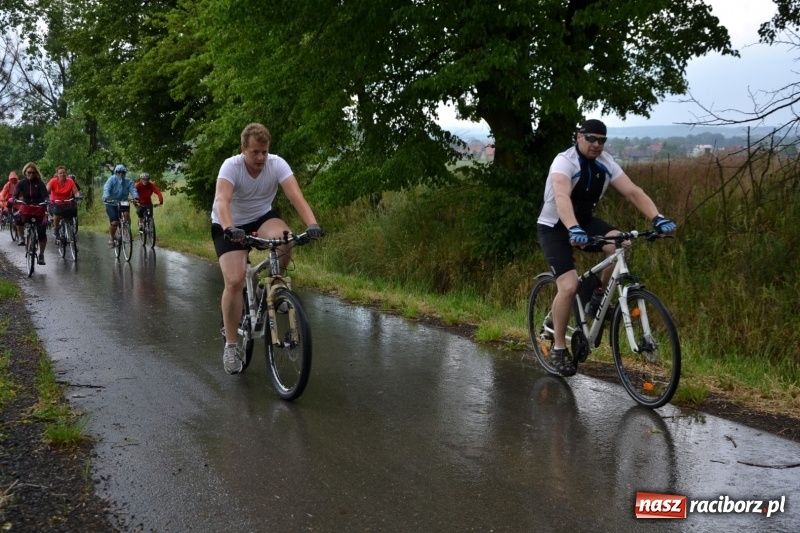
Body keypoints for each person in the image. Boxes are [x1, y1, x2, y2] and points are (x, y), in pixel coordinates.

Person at [536, 119, 677, 377]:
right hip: (555, 226)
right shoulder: (564, 162)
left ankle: (598, 296)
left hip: (584, 223)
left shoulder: (606, 162)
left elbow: (633, 192)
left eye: (602, 140)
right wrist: (572, 228)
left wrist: (657, 217)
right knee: (568, 286)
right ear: (578, 137)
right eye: (591, 138)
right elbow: (561, 196)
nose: (597, 144)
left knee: (622, 244)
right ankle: (558, 347)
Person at [211, 123, 323, 375]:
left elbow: (295, 196)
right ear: (243, 149)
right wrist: (229, 228)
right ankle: (231, 346)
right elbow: (221, 200)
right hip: (228, 223)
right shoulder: (231, 166)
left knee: (286, 238)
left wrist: (312, 224)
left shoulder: (277, 164)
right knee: (235, 280)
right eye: (255, 152)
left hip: (262, 217)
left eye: (264, 152)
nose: (261, 158)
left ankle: (272, 285)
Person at [12, 163, 50, 263]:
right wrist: (14, 198)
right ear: (25, 172)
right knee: (18, 218)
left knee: (42, 232)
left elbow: (45, 195)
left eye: (33, 173)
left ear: (36, 173)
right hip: (26, 207)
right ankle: (21, 237)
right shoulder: (21, 183)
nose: (31, 174)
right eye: (29, 172)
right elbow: (15, 194)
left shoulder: (40, 183)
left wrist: (47, 200)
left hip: (39, 207)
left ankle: (41, 255)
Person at [102, 164, 139, 247]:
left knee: (126, 214)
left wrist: (135, 197)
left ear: (125, 173)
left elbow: (133, 190)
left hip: (123, 202)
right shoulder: (111, 180)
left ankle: (127, 231)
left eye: (122, 172)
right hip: (111, 203)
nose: (120, 174)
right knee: (115, 222)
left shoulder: (128, 181)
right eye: (118, 172)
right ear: (116, 172)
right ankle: (111, 238)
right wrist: (106, 198)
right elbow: (106, 189)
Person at [46, 166, 81, 240]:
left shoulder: (70, 181)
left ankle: (71, 234)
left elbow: (76, 192)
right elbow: (46, 191)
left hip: (66, 203)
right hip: (55, 203)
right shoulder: (53, 181)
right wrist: (46, 198)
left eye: (64, 172)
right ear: (57, 174)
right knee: (57, 212)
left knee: (73, 210)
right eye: (60, 173)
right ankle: (56, 229)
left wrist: (78, 196)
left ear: (66, 173)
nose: (62, 174)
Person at [0, 171, 20, 238]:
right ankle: (9, 214)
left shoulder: (20, 183)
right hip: (9, 199)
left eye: (14, 179)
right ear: (10, 179)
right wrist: (2, 198)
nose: (13, 181)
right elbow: (3, 193)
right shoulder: (7, 185)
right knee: (8, 206)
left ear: (16, 178)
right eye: (12, 179)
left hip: (18, 199)